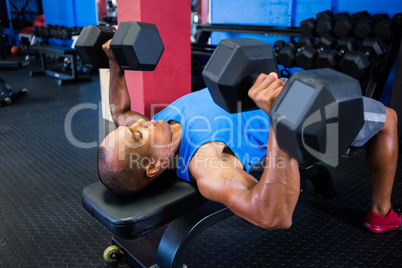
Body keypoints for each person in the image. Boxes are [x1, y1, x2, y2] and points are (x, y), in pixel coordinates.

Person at [97, 39, 401, 233]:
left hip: (280, 88)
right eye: (136, 136)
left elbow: (121, 111)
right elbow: (273, 216)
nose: (140, 124)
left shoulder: (157, 125)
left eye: (130, 129)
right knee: (389, 118)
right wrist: (280, 119)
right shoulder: (207, 163)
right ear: (153, 167)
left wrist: (114, 62)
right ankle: (381, 214)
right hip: (299, 113)